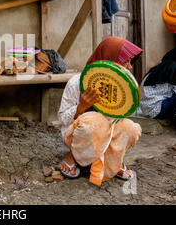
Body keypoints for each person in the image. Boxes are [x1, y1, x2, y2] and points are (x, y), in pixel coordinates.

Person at [58, 36, 143, 185]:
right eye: (125, 62)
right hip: (81, 134)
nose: (129, 67)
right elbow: (63, 119)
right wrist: (81, 107)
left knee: (131, 128)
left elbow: (121, 120)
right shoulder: (77, 83)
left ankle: (114, 160)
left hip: (107, 135)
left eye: (130, 62)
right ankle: (73, 156)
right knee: (92, 122)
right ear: (109, 59)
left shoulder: (123, 85)